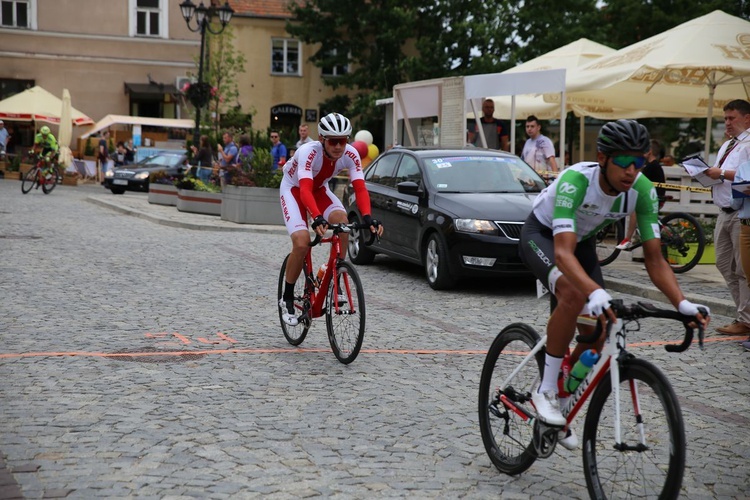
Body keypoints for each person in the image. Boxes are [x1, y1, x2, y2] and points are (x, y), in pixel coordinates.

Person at [518, 119, 709, 446]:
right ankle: (546, 391)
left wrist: (682, 302)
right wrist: (594, 291)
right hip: (544, 235)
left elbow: (654, 259)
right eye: (623, 161)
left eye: (639, 162)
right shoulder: (576, 182)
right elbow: (563, 253)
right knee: (573, 295)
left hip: (583, 243)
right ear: (603, 158)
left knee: (599, 330)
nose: (631, 170)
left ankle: (562, 403)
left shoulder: (643, 191)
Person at [278, 112, 384, 326]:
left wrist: (368, 218)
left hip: (318, 190)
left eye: (343, 141)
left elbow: (360, 189)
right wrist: (316, 217)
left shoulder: (351, 154)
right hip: (295, 189)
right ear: (322, 139)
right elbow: (305, 190)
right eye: (333, 141)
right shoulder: (308, 151)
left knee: (342, 222)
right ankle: (287, 297)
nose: (338, 146)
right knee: (301, 242)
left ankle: (336, 275)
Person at [704, 99, 750, 336]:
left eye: (732, 118)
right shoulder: (728, 144)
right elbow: (719, 172)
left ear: (747, 118)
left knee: (743, 269)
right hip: (723, 211)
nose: (728, 123)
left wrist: (720, 173)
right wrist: (704, 174)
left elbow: (746, 176)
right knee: (724, 264)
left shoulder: (749, 143)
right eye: (725, 119)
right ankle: (744, 313)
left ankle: (745, 319)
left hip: (742, 212)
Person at [616, 139, 667, 249]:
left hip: (654, 198)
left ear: (649, 151)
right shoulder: (654, 165)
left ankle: (628, 239)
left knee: (635, 210)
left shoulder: (650, 167)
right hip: (657, 196)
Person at [731, 160, 750, 349]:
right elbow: (734, 203)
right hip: (745, 227)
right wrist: (740, 194)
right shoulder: (744, 168)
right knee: (749, 278)